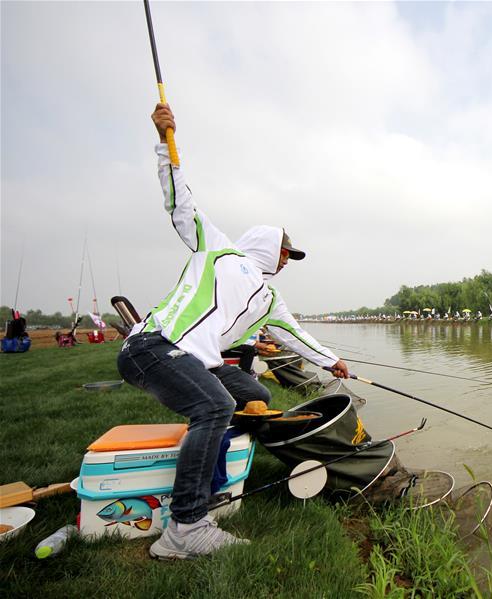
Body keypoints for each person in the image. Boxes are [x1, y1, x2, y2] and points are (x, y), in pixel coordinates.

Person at [117, 104, 349, 560]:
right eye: (286, 252)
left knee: (247, 392)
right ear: (266, 243)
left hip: (192, 360)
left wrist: (330, 361)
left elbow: (297, 336)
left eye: (292, 257)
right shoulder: (217, 249)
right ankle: (186, 526)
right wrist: (166, 143)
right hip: (153, 346)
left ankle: (209, 471)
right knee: (216, 404)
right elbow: (179, 200)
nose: (287, 260)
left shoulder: (269, 301)